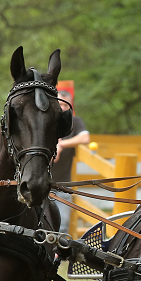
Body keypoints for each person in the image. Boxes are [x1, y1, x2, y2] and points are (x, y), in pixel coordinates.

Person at [51, 90, 90, 234]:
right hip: (41, 183)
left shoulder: (75, 122)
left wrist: (61, 145)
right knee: (40, 224)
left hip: (63, 185)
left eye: (65, 105)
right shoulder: (47, 120)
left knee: (62, 226)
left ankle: (57, 256)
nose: (61, 108)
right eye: (59, 104)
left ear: (70, 106)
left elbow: (85, 138)